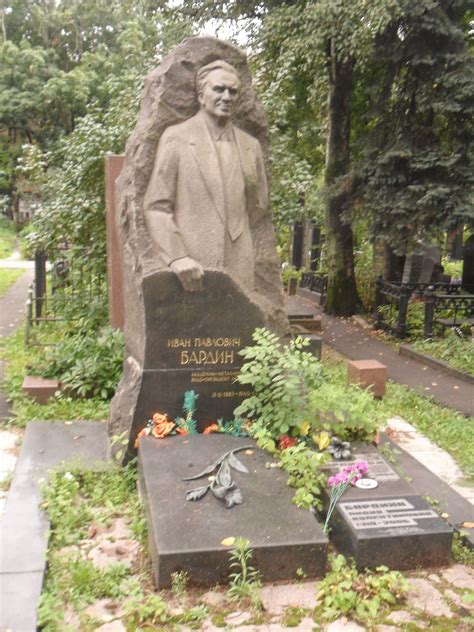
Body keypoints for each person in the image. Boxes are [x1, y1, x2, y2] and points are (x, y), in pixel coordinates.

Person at [143, 60, 268, 293]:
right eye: (218, 89)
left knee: (239, 328)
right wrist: (177, 257)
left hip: (240, 264)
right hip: (191, 269)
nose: (227, 96)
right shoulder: (176, 138)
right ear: (201, 96)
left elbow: (258, 204)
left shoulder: (251, 146)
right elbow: (156, 207)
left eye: (233, 91)